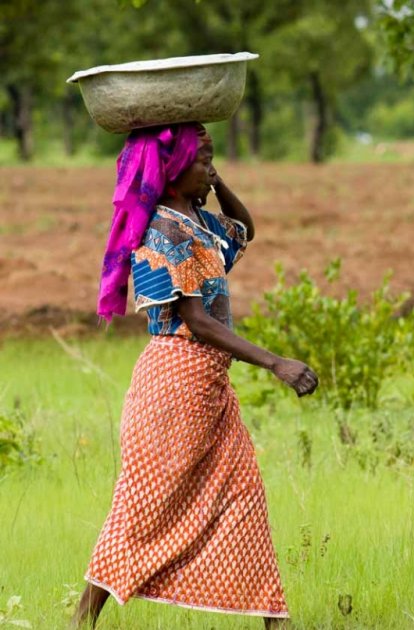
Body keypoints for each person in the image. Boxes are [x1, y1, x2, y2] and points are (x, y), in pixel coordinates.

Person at [72, 122, 318, 628]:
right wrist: (276, 363)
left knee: (244, 494)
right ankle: (82, 616)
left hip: (211, 386)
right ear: (173, 170)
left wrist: (214, 175)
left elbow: (245, 229)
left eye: (212, 161)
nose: (211, 168)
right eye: (202, 162)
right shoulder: (161, 231)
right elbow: (198, 321)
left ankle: (274, 618)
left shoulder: (200, 223)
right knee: (146, 505)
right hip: (173, 383)